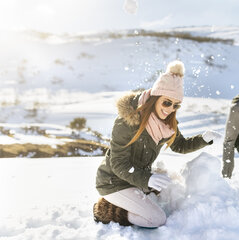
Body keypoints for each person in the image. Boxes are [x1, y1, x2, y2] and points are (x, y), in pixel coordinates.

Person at [93, 61, 219, 228]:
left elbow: (180, 145)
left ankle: (128, 199)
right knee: (156, 219)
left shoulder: (166, 123)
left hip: (135, 180)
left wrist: (203, 139)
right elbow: (118, 163)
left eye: (176, 105)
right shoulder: (128, 121)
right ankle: (105, 209)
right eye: (167, 102)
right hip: (113, 182)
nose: (170, 109)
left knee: (167, 184)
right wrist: (147, 178)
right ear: (155, 97)